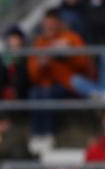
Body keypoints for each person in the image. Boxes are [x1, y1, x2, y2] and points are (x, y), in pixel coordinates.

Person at [27, 9, 93, 152]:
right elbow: (32, 75)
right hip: (45, 86)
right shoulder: (40, 43)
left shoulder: (71, 38)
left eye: (52, 23)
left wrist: (67, 53)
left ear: (59, 23)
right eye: (47, 24)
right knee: (35, 93)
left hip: (67, 85)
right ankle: (37, 134)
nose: (49, 27)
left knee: (46, 93)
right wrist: (40, 65)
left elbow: (84, 64)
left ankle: (47, 134)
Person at [0, 26, 29, 101]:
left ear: (21, 40)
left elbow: (26, 79)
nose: (14, 42)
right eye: (11, 39)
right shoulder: (2, 58)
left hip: (22, 93)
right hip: (3, 94)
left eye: (16, 38)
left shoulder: (26, 57)